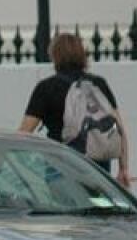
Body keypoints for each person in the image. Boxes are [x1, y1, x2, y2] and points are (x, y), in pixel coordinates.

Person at [18, 32, 131, 188]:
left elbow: (24, 133)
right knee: (97, 208)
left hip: (60, 165)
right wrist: (123, 168)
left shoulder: (46, 88)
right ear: (82, 55)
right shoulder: (98, 84)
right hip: (98, 167)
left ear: (55, 57)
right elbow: (119, 129)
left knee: (65, 209)